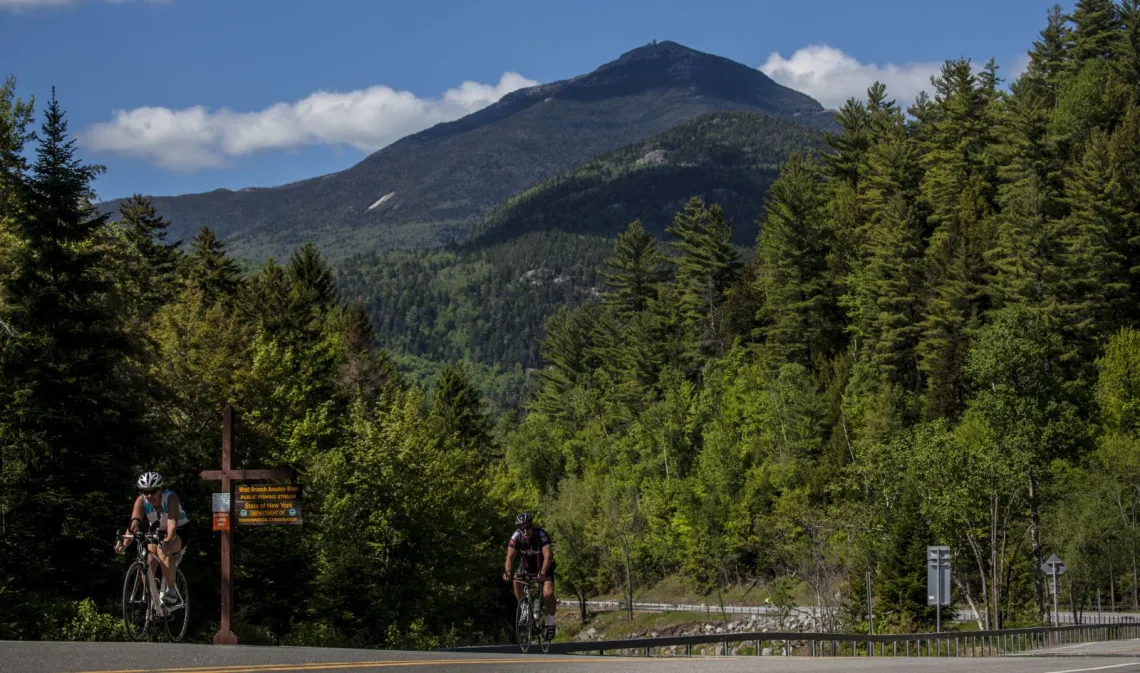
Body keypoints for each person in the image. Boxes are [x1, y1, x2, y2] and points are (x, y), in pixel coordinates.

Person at [114, 471, 190, 606]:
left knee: (162, 551)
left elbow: (171, 526)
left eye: (153, 491)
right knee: (148, 559)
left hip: (179, 530)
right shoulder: (141, 500)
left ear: (160, 489)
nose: (149, 495)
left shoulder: (171, 498)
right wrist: (124, 544)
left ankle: (171, 591)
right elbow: (134, 524)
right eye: (145, 491)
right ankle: (153, 597)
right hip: (157, 530)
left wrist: (167, 542)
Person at [502, 512, 556, 639]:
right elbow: (509, 557)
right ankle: (524, 606)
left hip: (543, 566)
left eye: (528, 527)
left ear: (532, 526)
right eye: (522, 528)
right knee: (515, 579)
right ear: (519, 528)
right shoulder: (516, 537)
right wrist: (508, 572)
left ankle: (551, 622)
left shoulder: (541, 534)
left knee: (548, 594)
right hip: (526, 566)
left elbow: (548, 556)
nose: (525, 531)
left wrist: (543, 572)